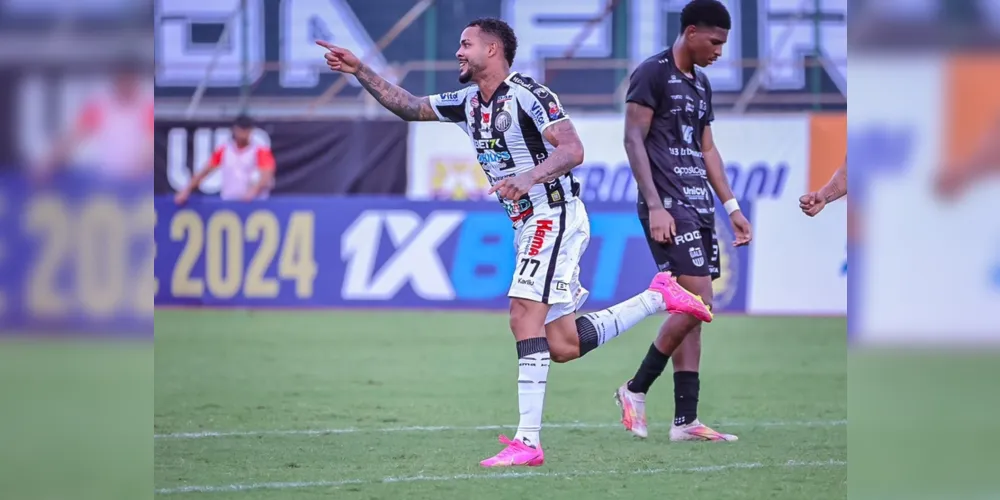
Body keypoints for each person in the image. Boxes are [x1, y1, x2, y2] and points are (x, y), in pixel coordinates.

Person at [317, 17, 714, 467]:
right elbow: (409, 106)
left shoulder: (529, 93)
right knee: (561, 344)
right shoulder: (467, 101)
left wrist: (529, 176)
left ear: (492, 50)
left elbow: (572, 149)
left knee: (522, 312)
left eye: (466, 44)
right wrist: (360, 70)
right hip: (527, 223)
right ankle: (656, 296)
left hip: (554, 213)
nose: (458, 52)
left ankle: (528, 442)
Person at [614, 0, 752, 443]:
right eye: (714, 41)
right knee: (700, 302)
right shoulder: (652, 73)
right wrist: (655, 205)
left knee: (691, 310)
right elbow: (633, 138)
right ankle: (635, 388)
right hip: (668, 206)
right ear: (691, 32)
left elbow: (707, 150)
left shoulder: (702, 85)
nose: (719, 51)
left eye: (724, 44)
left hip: (699, 207)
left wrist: (731, 208)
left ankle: (685, 421)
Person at [174, 115, 276, 205]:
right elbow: (205, 171)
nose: (243, 134)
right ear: (234, 130)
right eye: (240, 130)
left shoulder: (260, 151)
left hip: (253, 203)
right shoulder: (225, 150)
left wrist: (253, 191)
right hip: (229, 201)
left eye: (246, 130)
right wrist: (186, 190)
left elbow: (266, 175)